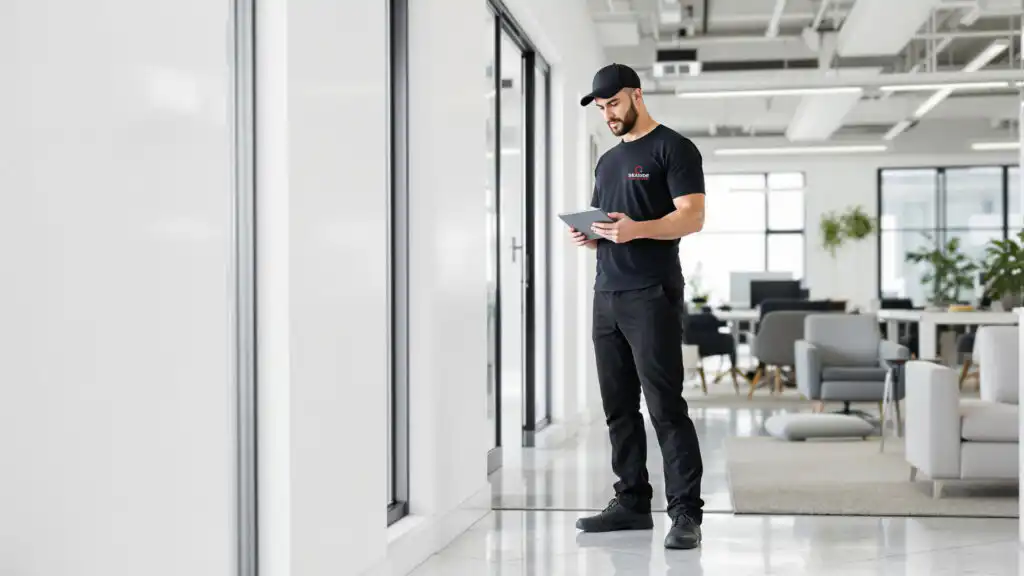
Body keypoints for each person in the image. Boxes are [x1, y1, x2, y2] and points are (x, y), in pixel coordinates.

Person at [571, 63, 706, 550]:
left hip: (652, 293)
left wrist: (636, 230)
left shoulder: (674, 148)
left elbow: (692, 218)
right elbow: (611, 223)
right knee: (618, 408)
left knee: (665, 407)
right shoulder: (608, 162)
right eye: (601, 107)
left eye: (613, 103)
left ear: (636, 96)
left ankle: (685, 513)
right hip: (606, 293)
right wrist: (593, 235)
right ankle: (631, 501)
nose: (608, 114)